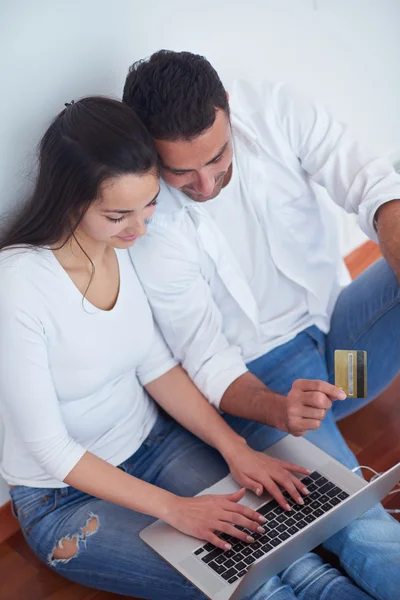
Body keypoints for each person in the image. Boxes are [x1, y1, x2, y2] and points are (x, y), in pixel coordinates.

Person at [0, 97, 374, 600]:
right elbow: (50, 449)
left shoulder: (121, 248)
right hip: (64, 498)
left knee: (298, 559)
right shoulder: (18, 286)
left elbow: (158, 367)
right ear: (71, 200)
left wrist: (235, 448)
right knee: (255, 585)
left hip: (157, 447)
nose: (140, 227)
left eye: (149, 203)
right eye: (118, 214)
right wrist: (175, 509)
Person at [123, 50, 400, 600]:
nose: (204, 184)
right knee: (354, 517)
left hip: (347, 366)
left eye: (217, 157)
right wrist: (280, 410)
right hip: (269, 390)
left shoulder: (275, 109)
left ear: (227, 109)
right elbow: (206, 359)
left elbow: (374, 186)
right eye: (181, 171)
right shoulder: (148, 223)